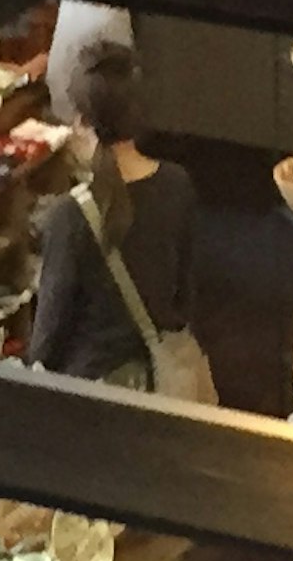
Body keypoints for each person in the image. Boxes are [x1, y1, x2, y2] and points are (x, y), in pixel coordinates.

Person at [28, 36, 202, 393]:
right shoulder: (177, 184)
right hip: (162, 383)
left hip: (90, 394)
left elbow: (46, 343)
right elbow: (183, 299)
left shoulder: (70, 217)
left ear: (80, 121)